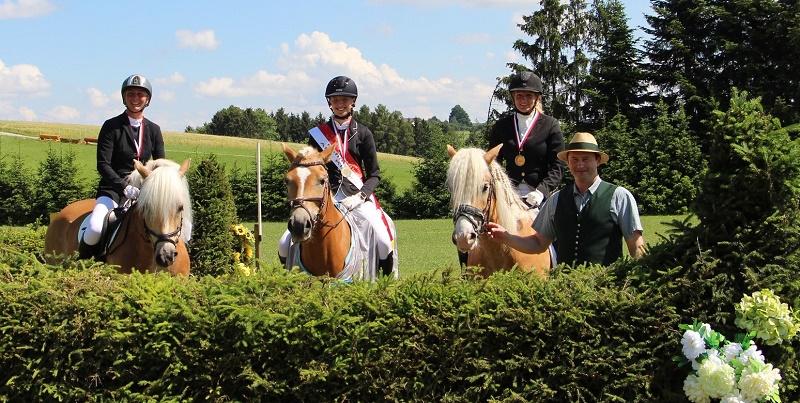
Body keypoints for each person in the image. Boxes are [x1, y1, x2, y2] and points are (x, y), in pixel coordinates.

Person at [278, 75, 395, 275]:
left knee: (383, 239)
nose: (340, 104)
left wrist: (362, 195)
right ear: (329, 103)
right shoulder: (318, 135)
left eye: (345, 100)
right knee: (283, 242)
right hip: (325, 195)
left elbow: (374, 174)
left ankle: (384, 281)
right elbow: (310, 168)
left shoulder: (364, 133)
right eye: (335, 100)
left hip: (358, 196)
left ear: (353, 102)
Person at [486, 132, 645, 266]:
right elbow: (538, 243)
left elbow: (636, 246)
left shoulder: (619, 196)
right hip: (565, 291)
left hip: (607, 290)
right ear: (568, 162)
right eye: (574, 159)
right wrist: (506, 237)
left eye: (585, 159)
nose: (580, 164)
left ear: (597, 161)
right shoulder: (556, 199)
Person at [78, 74, 165, 259]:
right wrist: (124, 187)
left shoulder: (154, 130)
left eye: (140, 94)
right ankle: (86, 266)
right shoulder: (111, 126)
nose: (135, 98)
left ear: (147, 99)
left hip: (144, 192)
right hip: (113, 190)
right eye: (131, 94)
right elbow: (103, 165)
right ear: (124, 97)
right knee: (94, 227)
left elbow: (160, 166)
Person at [488, 70, 565, 212]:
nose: (523, 101)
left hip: (540, 195)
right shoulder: (501, 127)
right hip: (509, 194)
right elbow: (493, 163)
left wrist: (542, 191)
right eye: (519, 96)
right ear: (513, 97)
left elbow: (558, 165)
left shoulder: (550, 125)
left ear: (537, 98)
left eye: (529, 96)